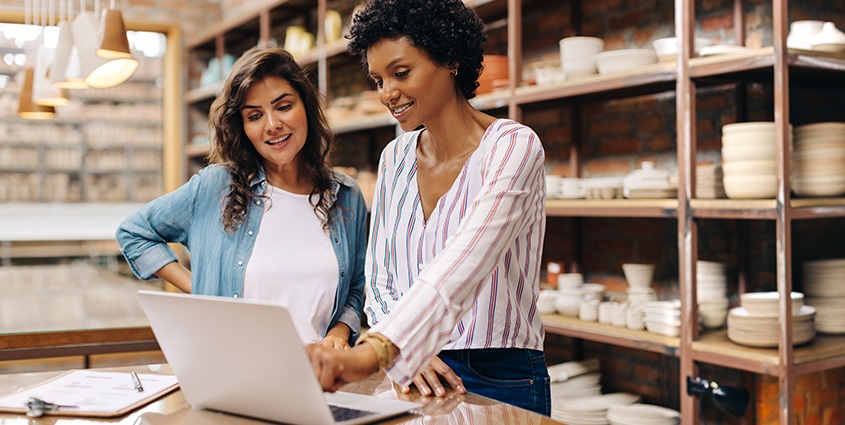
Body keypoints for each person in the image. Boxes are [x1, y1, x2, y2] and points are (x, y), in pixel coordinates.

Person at [306, 0, 550, 415]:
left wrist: (382, 349)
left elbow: (467, 260)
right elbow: (380, 276)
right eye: (378, 80)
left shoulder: (513, 147)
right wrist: (407, 353)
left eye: (401, 73)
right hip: (409, 374)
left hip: (498, 373)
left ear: (450, 59)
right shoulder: (394, 157)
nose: (387, 93)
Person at [116, 47, 368, 349]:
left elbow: (356, 286)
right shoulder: (216, 187)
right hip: (233, 368)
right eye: (255, 116)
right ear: (243, 127)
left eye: (284, 106)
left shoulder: (345, 196)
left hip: (320, 373)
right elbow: (134, 233)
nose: (272, 125)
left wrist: (340, 333)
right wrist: (202, 290)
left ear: (306, 107)